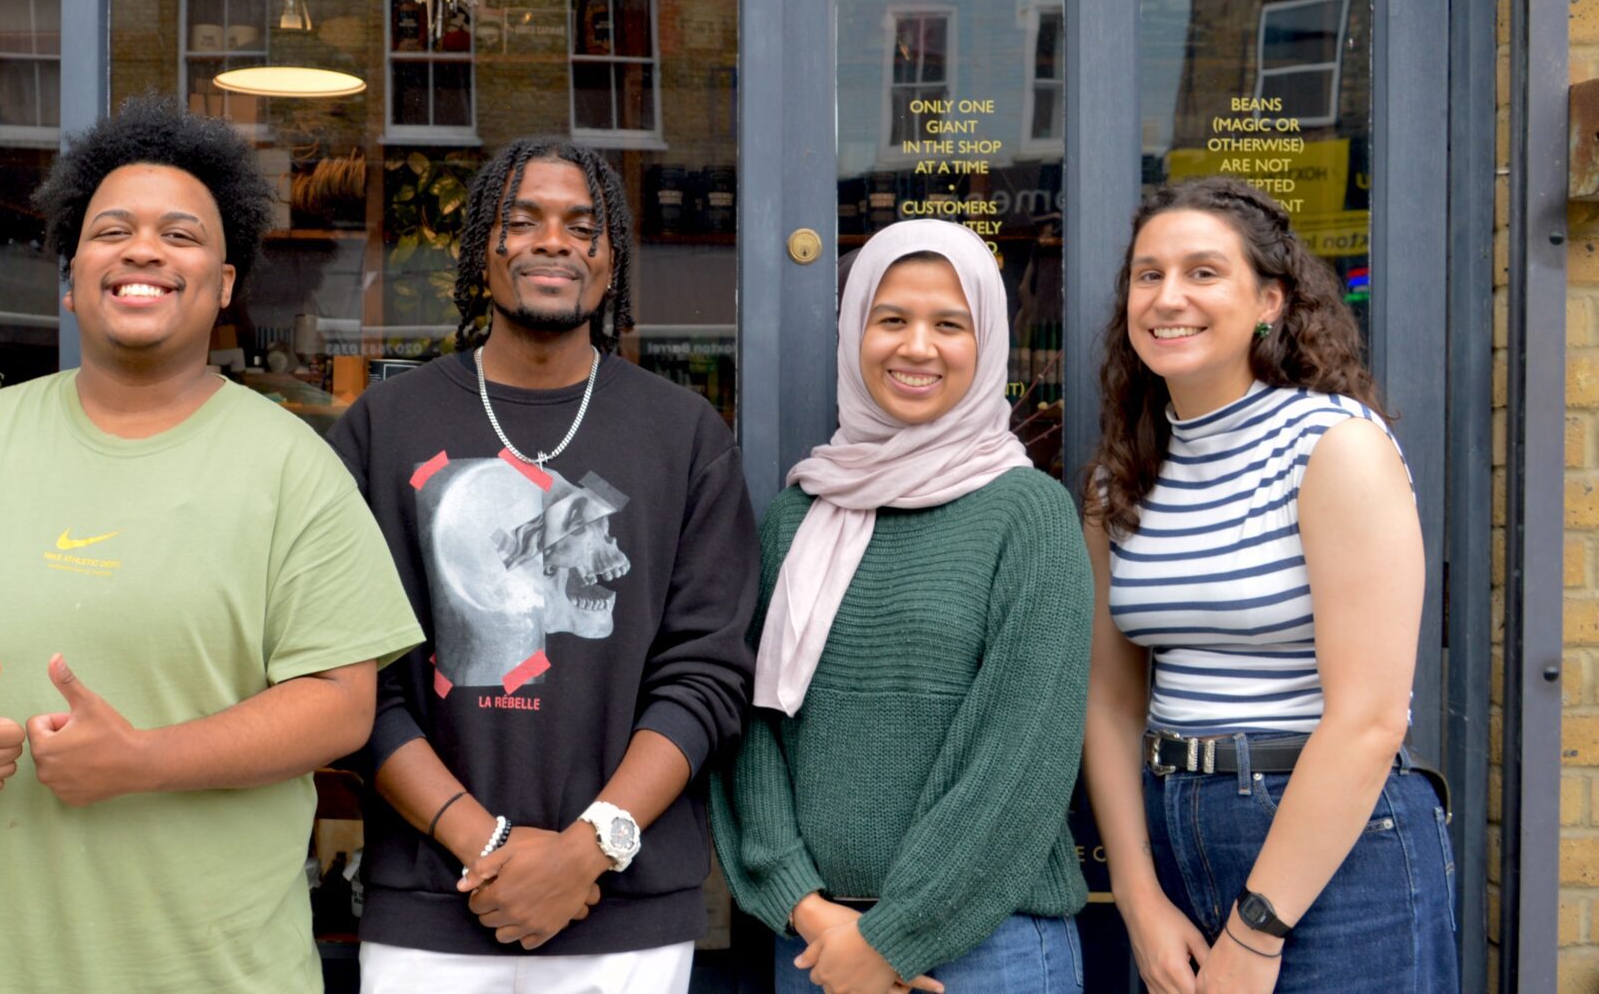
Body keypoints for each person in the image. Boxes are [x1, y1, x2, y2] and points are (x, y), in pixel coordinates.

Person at [0, 96, 423, 993]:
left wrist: (145, 762)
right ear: (72, 275)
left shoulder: (295, 466)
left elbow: (340, 704)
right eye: (112, 230)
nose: (143, 250)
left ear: (223, 284)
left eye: (181, 234)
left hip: (208, 972)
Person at [325, 136, 758, 993]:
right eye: (522, 221)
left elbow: (705, 675)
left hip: (628, 917)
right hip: (429, 909)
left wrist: (588, 851)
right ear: (482, 247)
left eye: (580, 226)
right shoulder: (383, 428)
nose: (552, 241)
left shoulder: (684, 436)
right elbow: (353, 675)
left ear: (611, 259)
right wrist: (483, 844)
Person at [1079, 176, 1455, 993]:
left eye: (1203, 272)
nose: (1168, 297)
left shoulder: (1335, 446)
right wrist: (1139, 900)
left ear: (1271, 301)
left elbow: (1369, 717)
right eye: (1148, 275)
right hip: (1177, 831)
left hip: (1336, 852)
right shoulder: (1122, 478)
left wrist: (1257, 931)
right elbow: (1108, 700)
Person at [710, 219, 1092, 994]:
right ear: (856, 332)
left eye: (949, 325)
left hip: (990, 954)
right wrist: (806, 908)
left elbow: (1020, 762)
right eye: (892, 320)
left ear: (986, 346)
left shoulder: (1029, 514)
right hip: (818, 949)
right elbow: (749, 730)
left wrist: (892, 937)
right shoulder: (799, 514)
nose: (917, 347)